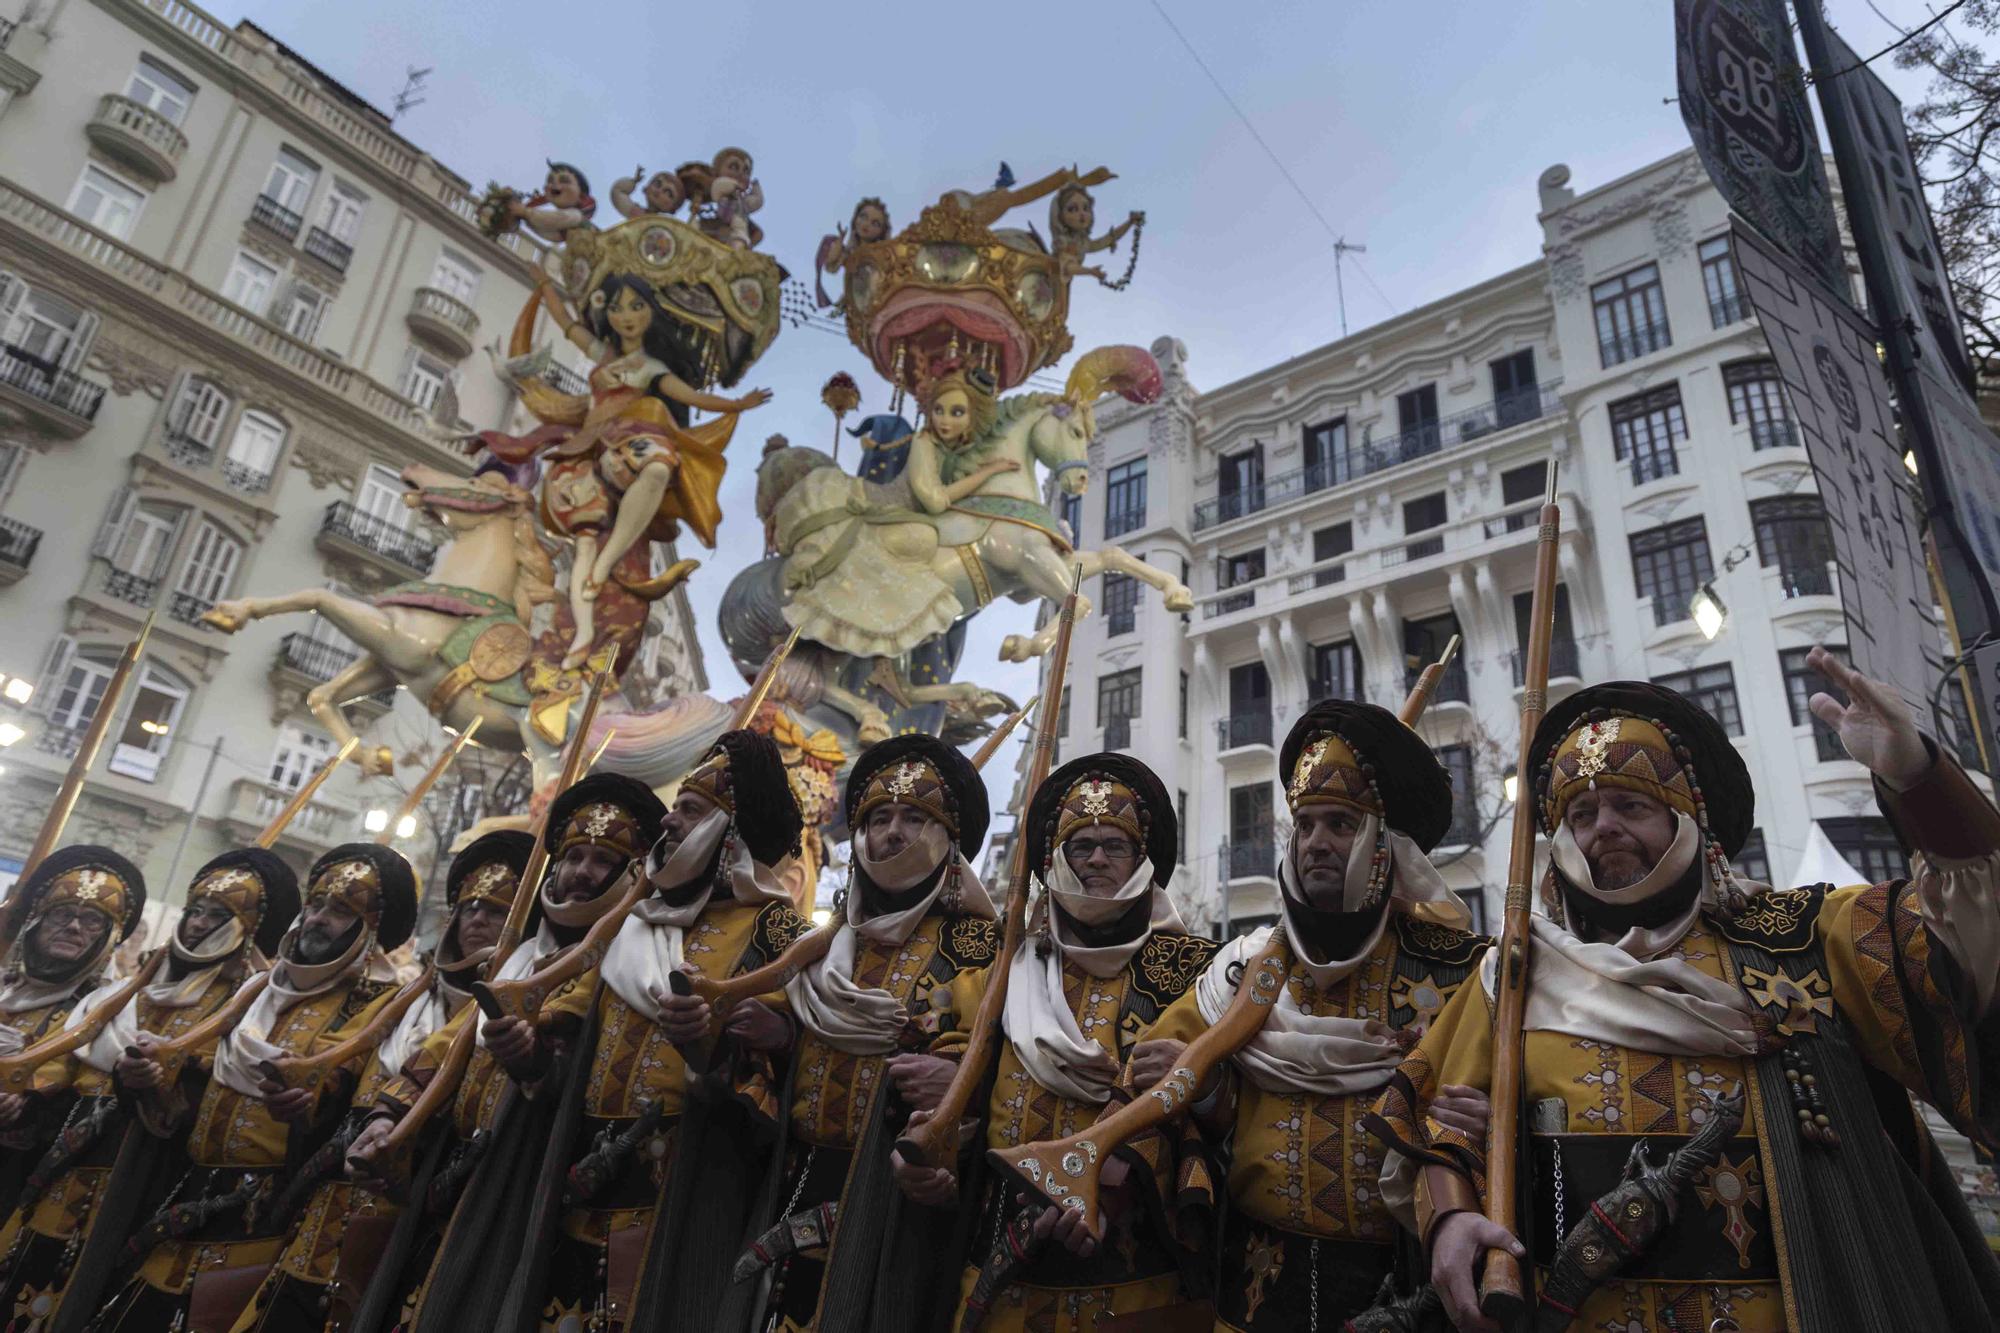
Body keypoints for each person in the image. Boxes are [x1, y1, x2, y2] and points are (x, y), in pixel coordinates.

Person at [1372, 655, 2000, 1332]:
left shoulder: (1806, 938)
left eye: (1631, 803)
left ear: (1689, 821)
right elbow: (1426, 1119)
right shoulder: (1512, 975)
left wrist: (1920, 780)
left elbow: (1972, 937)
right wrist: (1453, 1211)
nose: (1603, 825)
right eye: (1580, 813)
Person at [1136, 700, 1489, 1329]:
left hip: (1405, 1291)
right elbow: (1160, 1090)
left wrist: (1488, 1124)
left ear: (1384, 845)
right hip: (1254, 1287)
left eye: (1341, 825)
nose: (1316, 844)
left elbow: (1507, 1112)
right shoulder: (1241, 969)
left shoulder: (1461, 972)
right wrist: (1203, 1088)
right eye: (1304, 825)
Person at [922, 753, 1221, 1331]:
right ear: (1055, 861)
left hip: (1136, 1288)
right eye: (1080, 847)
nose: (1098, 859)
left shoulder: (1197, 972)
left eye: (1116, 845)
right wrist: (935, 1125)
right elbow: (962, 1055)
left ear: (1143, 859)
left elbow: (1219, 1118)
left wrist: (1200, 1087)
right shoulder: (1005, 967)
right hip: (999, 1275)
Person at [352, 774, 658, 1333]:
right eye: (571, 856)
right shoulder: (518, 957)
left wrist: (535, 1062)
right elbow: (446, 1048)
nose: (581, 872)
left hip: (536, 1188)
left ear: (633, 872)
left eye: (601, 859)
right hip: (461, 1176)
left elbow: (564, 1059)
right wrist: (387, 1115)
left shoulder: (626, 955)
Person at [530, 730, 806, 1331]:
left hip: (688, 1181)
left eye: (689, 811)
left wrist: (729, 1042)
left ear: (726, 831)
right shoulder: (631, 918)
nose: (670, 822)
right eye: (674, 809)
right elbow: (566, 1021)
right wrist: (525, 1045)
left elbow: (781, 1059)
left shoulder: (778, 928)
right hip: (580, 1176)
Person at [92, 844, 415, 1333]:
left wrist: (312, 1110)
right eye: (315, 905)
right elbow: (188, 1100)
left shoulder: (379, 1006)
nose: (318, 919)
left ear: (368, 928)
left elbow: (351, 1104)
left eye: (340, 910)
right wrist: (149, 1084)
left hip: (268, 1225)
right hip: (186, 1201)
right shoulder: (252, 990)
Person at [231, 831, 534, 1332]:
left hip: (415, 1230)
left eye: (497, 911)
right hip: (325, 1220)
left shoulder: (509, 1012)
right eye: (470, 907)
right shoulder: (396, 1002)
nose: (478, 919)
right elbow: (335, 1079)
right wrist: (306, 1100)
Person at [744, 734, 997, 1331]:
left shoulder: (986, 948)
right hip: (798, 1179)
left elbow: (1008, 1072)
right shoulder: (819, 949)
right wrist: (778, 1039)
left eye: (916, 817)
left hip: (907, 1196)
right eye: (878, 817)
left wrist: (963, 1084)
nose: (893, 831)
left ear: (948, 842)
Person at [0, 848, 292, 1332]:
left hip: (133, 1188)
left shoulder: (242, 1011)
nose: (198, 924)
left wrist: (159, 1090)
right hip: (51, 1180)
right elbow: (61, 1083)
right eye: (193, 910)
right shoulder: (122, 993)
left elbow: (198, 1111)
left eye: (216, 916)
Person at [475, 269, 772, 667]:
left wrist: (738, 405)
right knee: (582, 543)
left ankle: (607, 560)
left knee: (658, 466)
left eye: (636, 306)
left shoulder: (651, 368)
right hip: (585, 453)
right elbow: (565, 324)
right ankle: (581, 636)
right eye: (616, 308)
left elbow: (688, 396)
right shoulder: (604, 355)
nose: (626, 316)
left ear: (650, 313)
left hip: (625, 449)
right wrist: (545, 285)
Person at [0, 847, 148, 1217]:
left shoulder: (110, 1009)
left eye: (92, 921)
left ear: (107, 938)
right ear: (35, 924)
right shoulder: (4, 984)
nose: (74, 927)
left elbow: (96, 1105)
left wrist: (29, 1102)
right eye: (62, 915)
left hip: (18, 1178)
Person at [608, 165, 685, 221]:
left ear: (672, 209)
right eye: (657, 184)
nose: (659, 191)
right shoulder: (637, 213)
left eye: (668, 193)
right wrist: (633, 182)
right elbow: (617, 191)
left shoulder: (666, 225)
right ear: (646, 187)